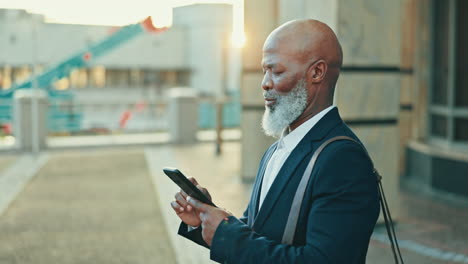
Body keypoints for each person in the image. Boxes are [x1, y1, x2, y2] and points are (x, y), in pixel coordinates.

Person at [170, 19, 380, 263]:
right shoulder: (274, 150)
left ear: (317, 72)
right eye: (264, 71)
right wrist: (206, 217)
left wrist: (226, 235)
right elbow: (257, 232)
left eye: (277, 71)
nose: (265, 83)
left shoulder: (343, 160)